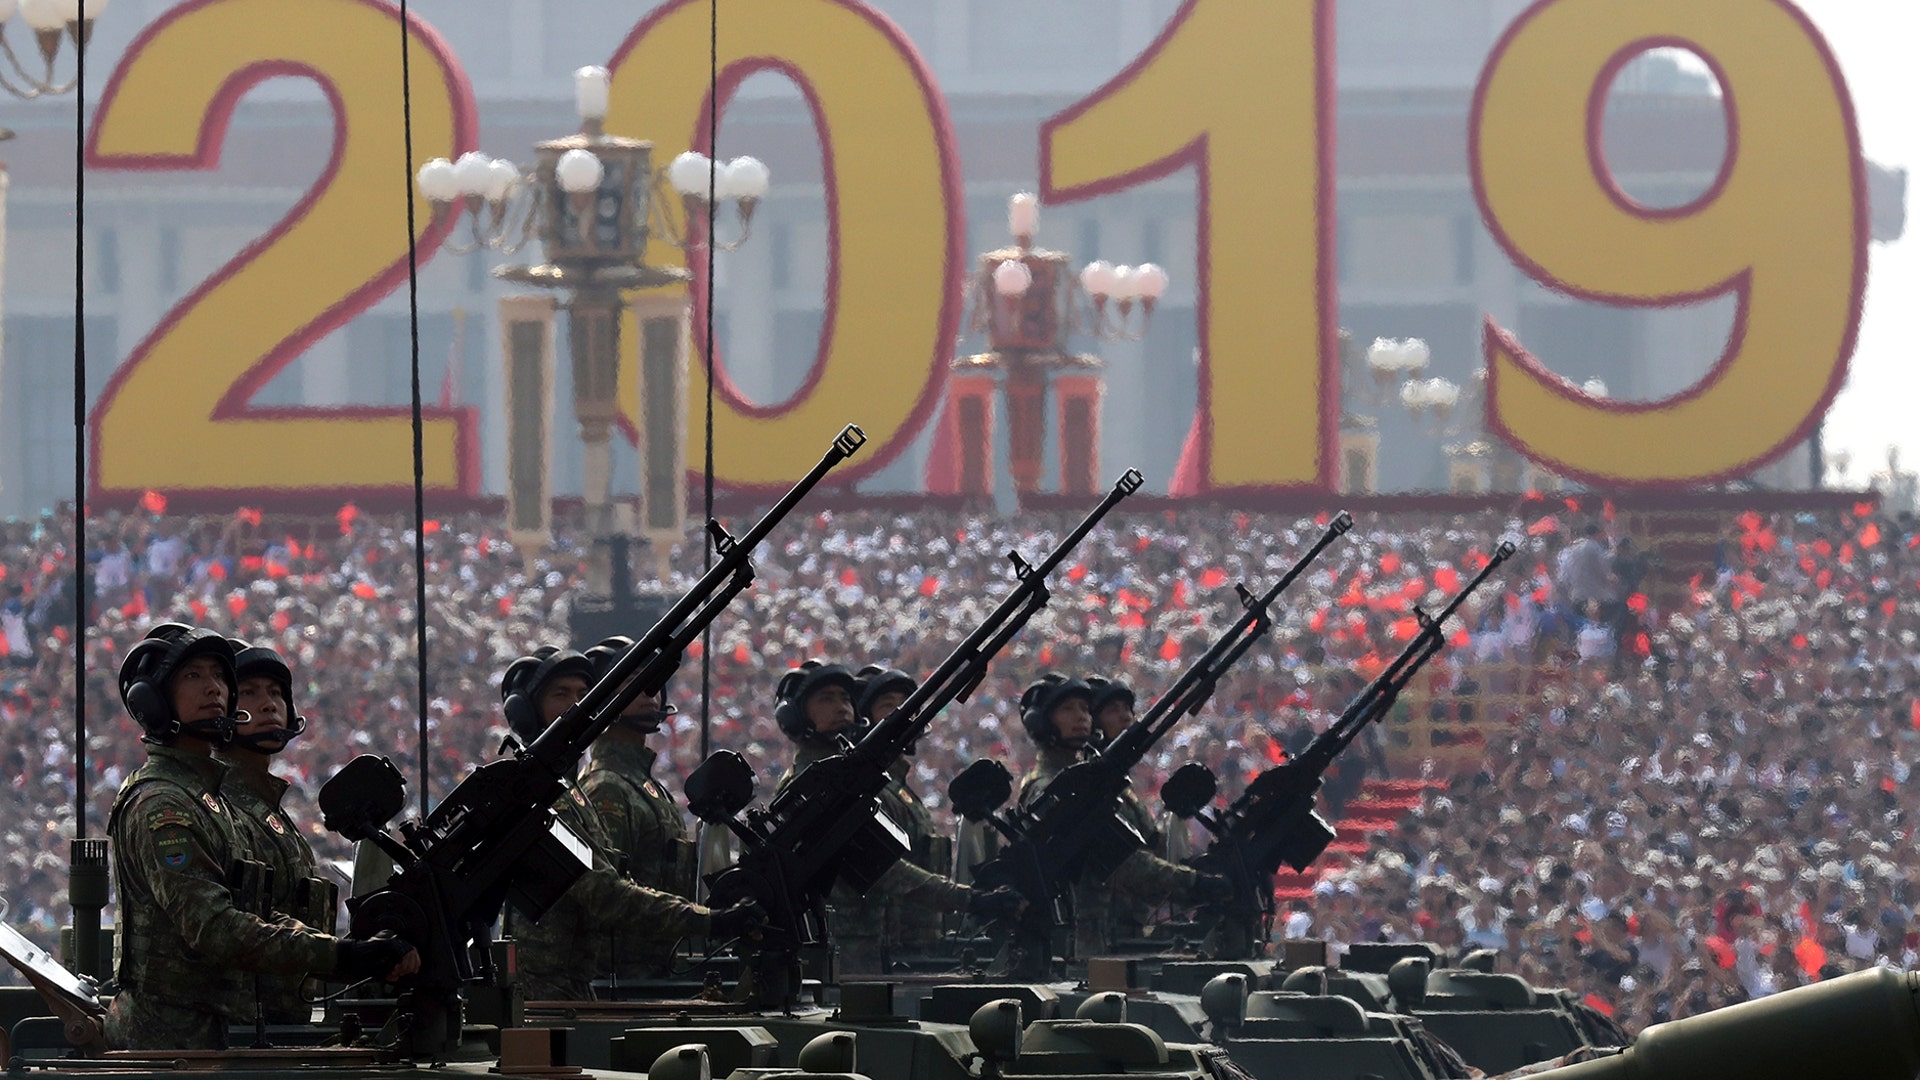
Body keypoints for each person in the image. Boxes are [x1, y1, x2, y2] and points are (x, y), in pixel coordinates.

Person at [106, 624, 417, 1050]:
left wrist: (347, 953)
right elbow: (213, 927)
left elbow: (259, 914)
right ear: (152, 702)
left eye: (219, 676)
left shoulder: (205, 798)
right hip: (172, 1048)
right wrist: (340, 957)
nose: (214, 688)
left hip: (215, 1043)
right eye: (193, 676)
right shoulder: (164, 804)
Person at [498, 646, 758, 1000]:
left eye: (583, 694)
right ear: (527, 713)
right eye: (561, 695)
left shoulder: (574, 793)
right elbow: (604, 892)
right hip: (554, 995)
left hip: (582, 990)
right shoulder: (564, 795)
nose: (577, 705)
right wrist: (710, 921)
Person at [773, 659, 1015, 974]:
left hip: (875, 948)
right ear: (795, 715)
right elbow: (882, 869)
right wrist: (971, 900)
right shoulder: (810, 785)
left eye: (845, 698)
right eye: (826, 698)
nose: (841, 707)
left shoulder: (848, 778)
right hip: (846, 954)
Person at [1016, 673, 1225, 966]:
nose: (1081, 717)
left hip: (1108, 937)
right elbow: (1121, 862)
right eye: (1067, 709)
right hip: (1078, 947)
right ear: (1041, 722)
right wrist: (1194, 883)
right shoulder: (1047, 789)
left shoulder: (1086, 781)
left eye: (1085, 709)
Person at [213, 638, 336, 1027]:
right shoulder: (216, 806)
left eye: (276, 693)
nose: (268, 705)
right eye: (248, 693)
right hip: (240, 1032)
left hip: (281, 1025)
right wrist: (343, 956)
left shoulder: (269, 810)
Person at [578, 636, 699, 982]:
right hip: (626, 980)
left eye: (654, 683)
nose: (650, 693)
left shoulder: (646, 786)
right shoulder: (607, 788)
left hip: (658, 971)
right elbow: (609, 897)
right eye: (633, 682)